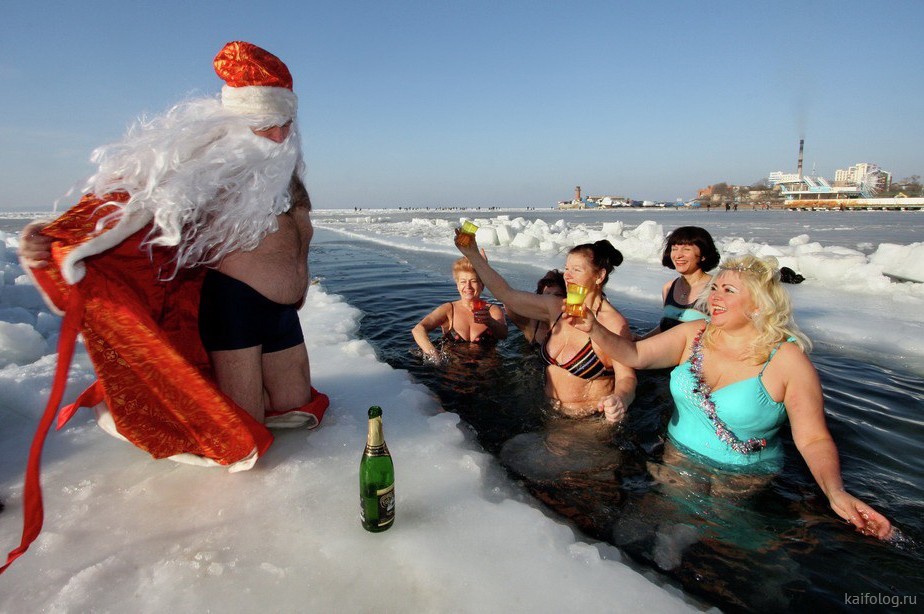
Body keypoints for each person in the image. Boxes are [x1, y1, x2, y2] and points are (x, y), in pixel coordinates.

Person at [6, 42, 331, 573]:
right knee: (245, 440)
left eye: (284, 125)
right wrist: (56, 235)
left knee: (299, 412)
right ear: (237, 121)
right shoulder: (213, 166)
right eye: (265, 125)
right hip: (235, 305)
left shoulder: (288, 172)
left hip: (281, 310)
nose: (277, 136)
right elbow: (130, 201)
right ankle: (228, 510)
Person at [568, 254, 892, 539]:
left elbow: (813, 438)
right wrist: (594, 328)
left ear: (759, 305)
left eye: (729, 290)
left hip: (742, 475)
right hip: (678, 455)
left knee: (720, 530)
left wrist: (835, 492)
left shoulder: (787, 361)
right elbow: (635, 355)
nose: (715, 297)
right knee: (662, 519)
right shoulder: (694, 333)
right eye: (715, 288)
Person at [455, 233, 636, 423]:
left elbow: (627, 378)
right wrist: (472, 254)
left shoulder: (613, 323)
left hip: (588, 423)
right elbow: (506, 294)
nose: (567, 276)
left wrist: (620, 399)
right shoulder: (557, 307)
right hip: (548, 414)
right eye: (566, 268)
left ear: (599, 276)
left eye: (576, 270)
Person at [412, 257, 508, 361]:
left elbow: (503, 335)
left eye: (473, 281)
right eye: (463, 282)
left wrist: (490, 322)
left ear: (482, 285)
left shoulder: (492, 310)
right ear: (457, 285)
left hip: (487, 368)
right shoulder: (449, 309)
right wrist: (434, 354)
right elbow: (418, 329)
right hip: (453, 368)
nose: (468, 286)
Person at [645, 226, 719, 336]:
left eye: (686, 249)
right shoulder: (669, 287)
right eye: (674, 249)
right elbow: (666, 327)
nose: (678, 255)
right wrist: (641, 339)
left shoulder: (715, 289)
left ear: (703, 255)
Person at [506, 269, 566, 345]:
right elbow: (508, 303)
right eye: (547, 295)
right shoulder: (531, 323)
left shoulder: (570, 325)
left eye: (557, 295)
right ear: (539, 297)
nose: (550, 300)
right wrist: (534, 307)